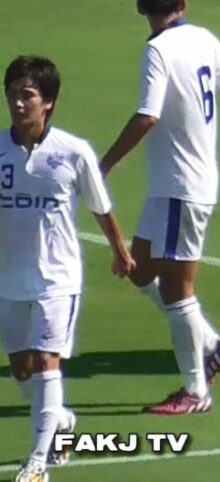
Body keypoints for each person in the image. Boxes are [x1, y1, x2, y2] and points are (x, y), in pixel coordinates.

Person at [101, 0, 220, 414]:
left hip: (182, 185)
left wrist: (104, 165)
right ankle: (212, 343)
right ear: (183, 0)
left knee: (178, 291)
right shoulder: (204, 38)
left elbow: (147, 115)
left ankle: (196, 392)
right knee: (139, 269)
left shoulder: (158, 50)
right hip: (170, 187)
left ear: (140, 8)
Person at [2, 56, 136, 482]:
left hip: (57, 279)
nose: (18, 103)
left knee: (47, 362)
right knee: (21, 369)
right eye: (12, 94)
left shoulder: (73, 152)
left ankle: (38, 463)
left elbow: (102, 206)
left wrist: (120, 250)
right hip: (9, 278)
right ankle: (59, 421)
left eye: (27, 95)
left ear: (48, 102)